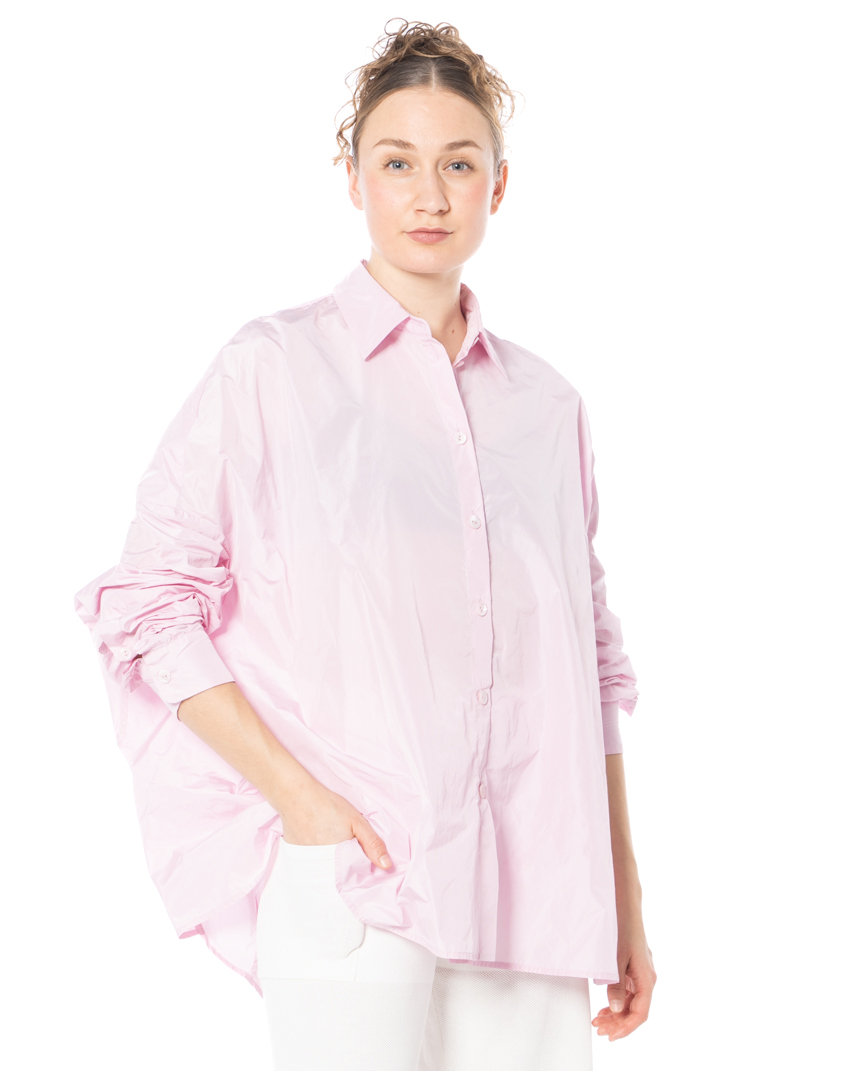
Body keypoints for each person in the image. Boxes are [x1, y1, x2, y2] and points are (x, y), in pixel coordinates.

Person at [74, 18, 656, 1071]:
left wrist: (622, 895)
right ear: (352, 180)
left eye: (457, 164)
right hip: (358, 871)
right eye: (396, 163)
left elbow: (591, 665)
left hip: (535, 887)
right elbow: (148, 600)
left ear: (498, 186)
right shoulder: (273, 369)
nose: (428, 195)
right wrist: (303, 804)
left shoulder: (546, 407)